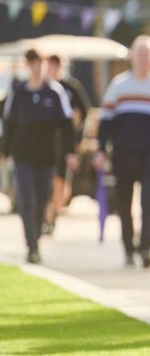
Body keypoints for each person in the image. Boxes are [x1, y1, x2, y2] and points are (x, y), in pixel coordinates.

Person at [94, 35, 150, 268]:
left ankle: (146, 249)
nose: (142, 58)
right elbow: (106, 122)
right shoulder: (118, 85)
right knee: (123, 203)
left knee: (147, 203)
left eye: (146, 54)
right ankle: (129, 248)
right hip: (123, 153)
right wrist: (100, 149)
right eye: (139, 54)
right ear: (132, 56)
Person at [1, 49, 76, 263]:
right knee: (27, 199)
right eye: (32, 63)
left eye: (40, 63)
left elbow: (66, 125)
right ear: (28, 65)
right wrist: (4, 151)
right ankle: (31, 243)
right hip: (23, 155)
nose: (37, 67)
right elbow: (9, 124)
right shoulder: (19, 92)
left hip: (46, 156)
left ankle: (37, 235)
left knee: (42, 199)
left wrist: (69, 152)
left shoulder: (54, 92)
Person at [44, 54, 91, 236]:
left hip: (65, 143)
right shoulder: (42, 86)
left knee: (60, 182)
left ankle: (52, 215)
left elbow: (85, 112)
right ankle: (44, 215)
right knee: (44, 182)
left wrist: (78, 138)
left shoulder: (71, 87)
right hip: (44, 144)